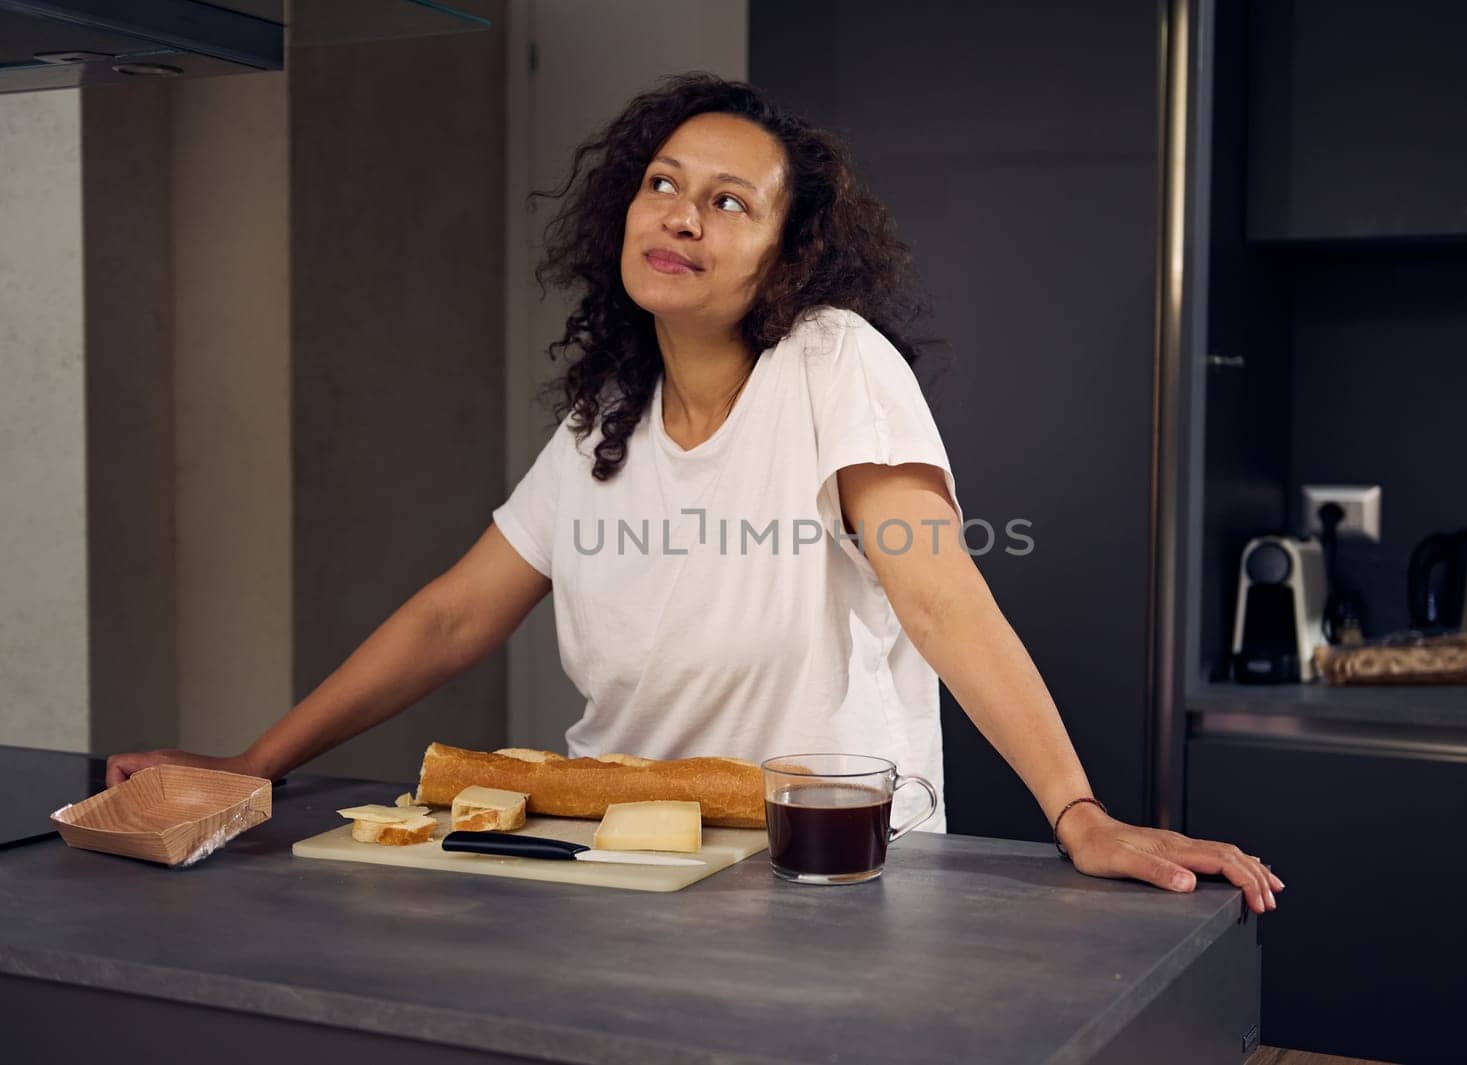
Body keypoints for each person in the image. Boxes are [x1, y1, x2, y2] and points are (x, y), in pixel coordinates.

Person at [107, 73, 1283, 914]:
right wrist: (251, 768)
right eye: (663, 184)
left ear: (789, 249)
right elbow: (451, 616)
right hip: (617, 861)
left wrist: (1077, 813)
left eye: (729, 201)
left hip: (824, 870)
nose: (680, 214)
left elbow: (939, 595)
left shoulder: (832, 361)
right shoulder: (600, 421)